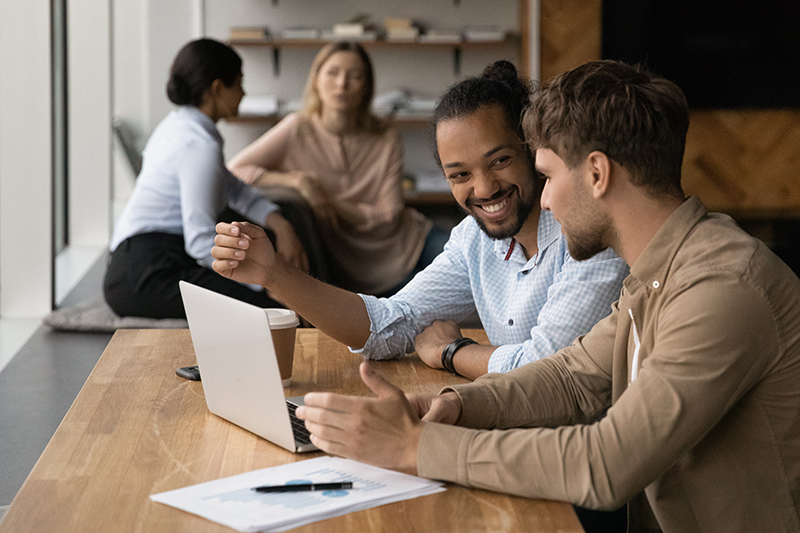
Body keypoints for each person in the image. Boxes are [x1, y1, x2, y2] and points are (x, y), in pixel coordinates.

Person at [291, 60, 800, 533]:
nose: (547, 198)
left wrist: (416, 446)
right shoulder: (661, 272)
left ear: (597, 174)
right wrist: (449, 406)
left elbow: (606, 463)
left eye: (550, 174)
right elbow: (570, 378)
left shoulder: (722, 287)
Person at [211, 60, 628, 380]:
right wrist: (274, 273)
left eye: (499, 161)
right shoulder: (474, 240)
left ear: (532, 151)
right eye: (460, 175)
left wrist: (452, 352)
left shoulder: (589, 235)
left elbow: (545, 366)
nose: (483, 189)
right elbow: (388, 326)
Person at [104, 38, 307, 319]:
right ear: (217, 89)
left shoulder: (181, 125)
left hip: (137, 262)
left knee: (275, 309)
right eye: (239, 83)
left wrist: (280, 224)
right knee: (277, 316)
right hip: (148, 273)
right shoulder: (199, 146)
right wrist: (262, 284)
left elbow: (233, 187)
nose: (244, 93)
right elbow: (200, 239)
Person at [227, 41, 445, 296]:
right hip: (351, 265)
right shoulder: (297, 128)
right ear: (316, 79)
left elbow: (389, 216)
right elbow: (234, 170)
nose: (342, 84)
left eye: (355, 76)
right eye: (332, 73)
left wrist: (326, 200)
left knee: (474, 261)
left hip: (409, 243)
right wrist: (298, 182)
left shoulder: (386, 136)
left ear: (367, 87)